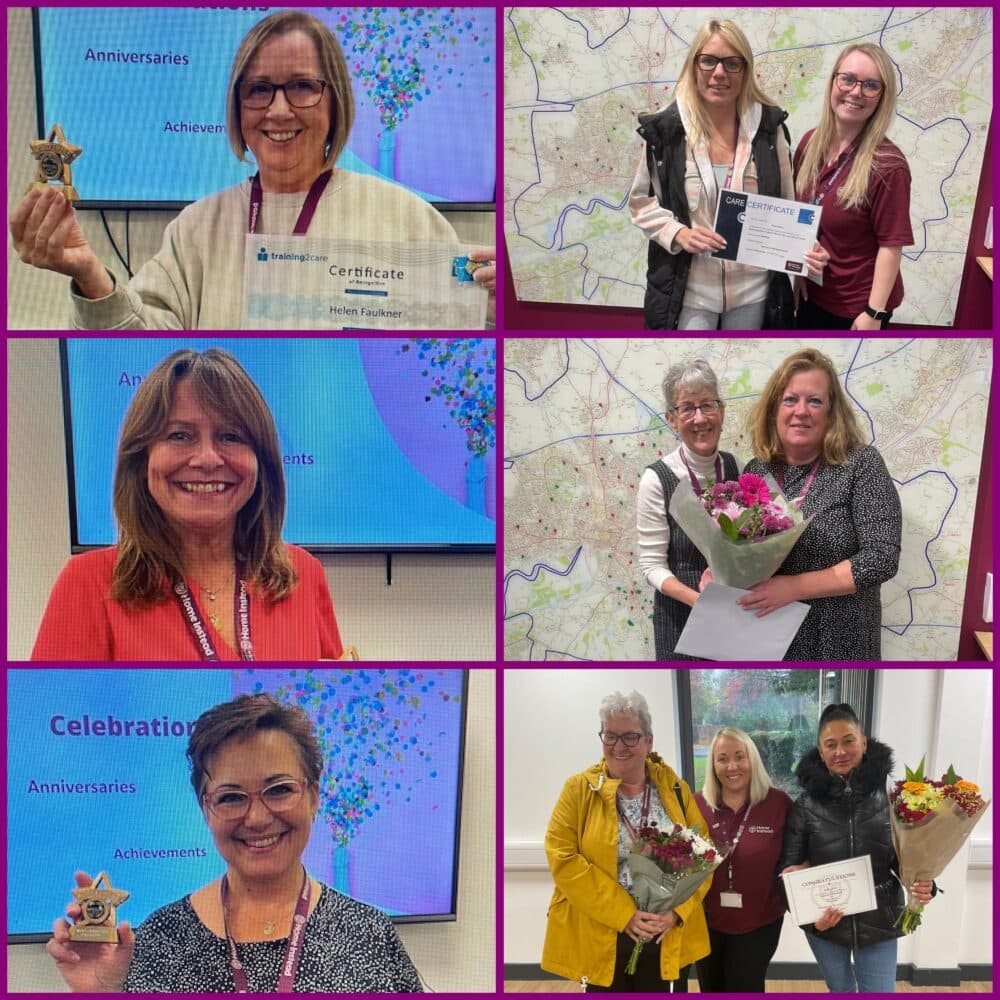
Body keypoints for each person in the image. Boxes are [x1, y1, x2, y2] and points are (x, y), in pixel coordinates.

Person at [10, 10, 494, 329]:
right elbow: (148, 352)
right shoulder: (197, 228)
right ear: (238, 106)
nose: (278, 111)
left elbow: (456, 343)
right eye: (259, 89)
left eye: (302, 86)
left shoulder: (408, 217)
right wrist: (91, 275)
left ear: (336, 102)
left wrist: (499, 307)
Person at [47, 693, 422, 992]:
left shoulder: (370, 934)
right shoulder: (159, 941)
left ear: (314, 796)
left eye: (279, 790)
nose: (257, 818)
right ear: (205, 809)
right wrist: (104, 992)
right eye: (230, 797)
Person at [32, 348, 344, 660]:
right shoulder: (88, 584)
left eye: (231, 436)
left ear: (261, 462)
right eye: (180, 436)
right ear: (142, 460)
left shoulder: (304, 574)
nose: (208, 459)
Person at [629, 19, 824, 330]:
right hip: (691, 292)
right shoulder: (666, 133)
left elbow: (789, 207)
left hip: (754, 290)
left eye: (732, 63)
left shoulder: (769, 132)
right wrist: (679, 233)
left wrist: (805, 250)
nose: (719, 73)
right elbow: (641, 204)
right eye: (708, 60)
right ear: (694, 66)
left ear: (745, 71)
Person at [738, 347, 901, 659]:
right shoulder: (756, 470)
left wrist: (794, 587)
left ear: (831, 412)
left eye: (814, 401)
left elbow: (882, 557)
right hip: (773, 636)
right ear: (774, 410)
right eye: (790, 400)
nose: (801, 411)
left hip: (840, 639)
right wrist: (720, 574)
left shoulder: (860, 464)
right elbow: (742, 552)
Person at [542, 691, 710, 991]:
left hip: (664, 933)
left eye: (630, 736)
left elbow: (704, 856)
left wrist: (676, 912)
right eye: (610, 736)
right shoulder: (578, 790)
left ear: (649, 741)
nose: (619, 747)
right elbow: (563, 858)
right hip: (602, 932)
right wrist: (625, 914)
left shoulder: (675, 788)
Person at [780, 703, 934, 993]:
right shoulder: (804, 806)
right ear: (821, 751)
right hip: (827, 928)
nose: (840, 751)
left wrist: (924, 881)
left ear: (863, 742)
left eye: (849, 740)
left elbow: (906, 859)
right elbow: (787, 871)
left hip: (880, 921)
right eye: (831, 744)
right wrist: (814, 924)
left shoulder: (893, 797)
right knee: (841, 992)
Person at [794, 44, 913, 329]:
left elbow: (891, 246)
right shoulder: (809, 143)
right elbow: (799, 216)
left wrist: (874, 313)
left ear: (881, 97)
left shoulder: (888, 166)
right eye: (848, 79)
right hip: (812, 294)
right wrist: (797, 275)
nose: (856, 92)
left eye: (870, 85)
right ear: (834, 81)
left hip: (856, 309)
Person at [637, 358, 739, 659]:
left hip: (732, 614)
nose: (700, 418)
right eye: (687, 408)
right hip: (681, 618)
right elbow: (652, 566)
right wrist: (700, 601)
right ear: (671, 418)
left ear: (720, 410)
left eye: (708, 405)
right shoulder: (657, 479)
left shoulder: (737, 467)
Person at [694, 728, 792, 992]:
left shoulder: (778, 803)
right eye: (722, 758)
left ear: (753, 760)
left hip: (759, 922)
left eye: (740, 756)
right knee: (711, 988)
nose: (732, 766)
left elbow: (796, 855)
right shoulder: (697, 805)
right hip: (706, 921)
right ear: (713, 765)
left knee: (744, 986)